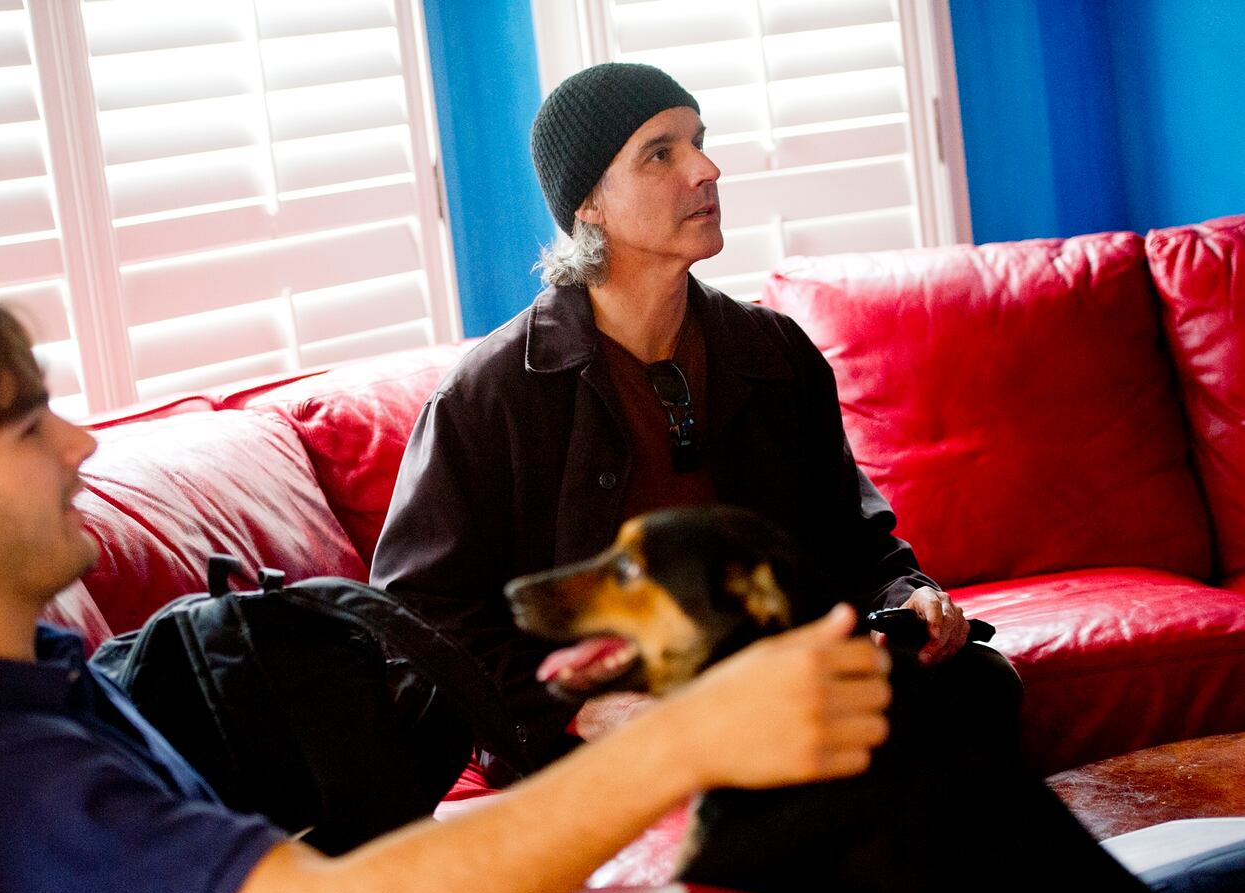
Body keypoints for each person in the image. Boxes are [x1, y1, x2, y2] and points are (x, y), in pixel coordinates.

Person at [0, 294, 895, 893]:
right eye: (30, 422)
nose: (83, 444)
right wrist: (687, 738)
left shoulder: (18, 688)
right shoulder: (4, 776)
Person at [371, 61, 1017, 779]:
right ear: (589, 203)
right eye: (660, 153)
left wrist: (909, 597)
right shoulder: (489, 395)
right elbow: (416, 613)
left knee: (977, 683)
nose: (706, 170)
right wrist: (579, 711)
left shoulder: (773, 352)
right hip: (610, 721)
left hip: (772, 686)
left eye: (698, 142)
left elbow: (851, 537)